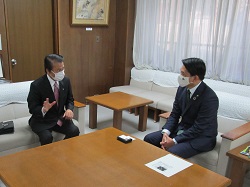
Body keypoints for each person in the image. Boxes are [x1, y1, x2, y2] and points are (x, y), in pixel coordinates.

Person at [144, 58, 219, 158]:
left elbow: (199, 127)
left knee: (172, 152)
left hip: (201, 137)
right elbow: (175, 114)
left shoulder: (210, 98)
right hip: (182, 129)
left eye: (183, 74)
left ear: (195, 78)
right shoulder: (182, 88)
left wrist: (175, 140)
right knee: (149, 139)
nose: (180, 76)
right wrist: (166, 133)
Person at [27, 54, 80, 145]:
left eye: (63, 69)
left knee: (74, 130)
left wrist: (69, 109)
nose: (62, 72)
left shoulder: (65, 81)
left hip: (59, 118)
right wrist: (43, 109)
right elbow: (32, 108)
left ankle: (62, 151)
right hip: (42, 120)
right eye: (59, 70)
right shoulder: (36, 85)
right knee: (47, 137)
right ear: (48, 71)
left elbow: (70, 99)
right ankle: (49, 158)